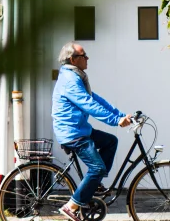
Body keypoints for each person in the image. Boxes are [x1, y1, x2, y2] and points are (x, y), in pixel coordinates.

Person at [52, 42, 132, 221]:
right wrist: (115, 121)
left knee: (110, 141)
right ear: (73, 59)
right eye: (84, 55)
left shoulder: (76, 76)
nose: (87, 58)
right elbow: (88, 105)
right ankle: (71, 206)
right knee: (97, 168)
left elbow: (95, 99)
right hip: (73, 133)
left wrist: (119, 114)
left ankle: (94, 185)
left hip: (80, 129)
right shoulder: (70, 80)